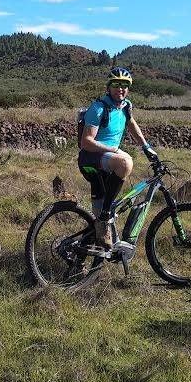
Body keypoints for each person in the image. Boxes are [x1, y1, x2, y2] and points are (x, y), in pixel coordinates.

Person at [77, 66, 159, 249]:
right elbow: (86, 142)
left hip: (106, 161)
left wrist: (147, 148)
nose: (120, 88)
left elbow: (131, 124)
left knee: (98, 227)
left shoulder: (125, 106)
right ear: (109, 87)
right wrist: (113, 149)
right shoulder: (99, 108)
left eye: (124, 85)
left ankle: (80, 258)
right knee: (125, 162)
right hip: (90, 159)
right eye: (116, 84)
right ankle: (107, 213)